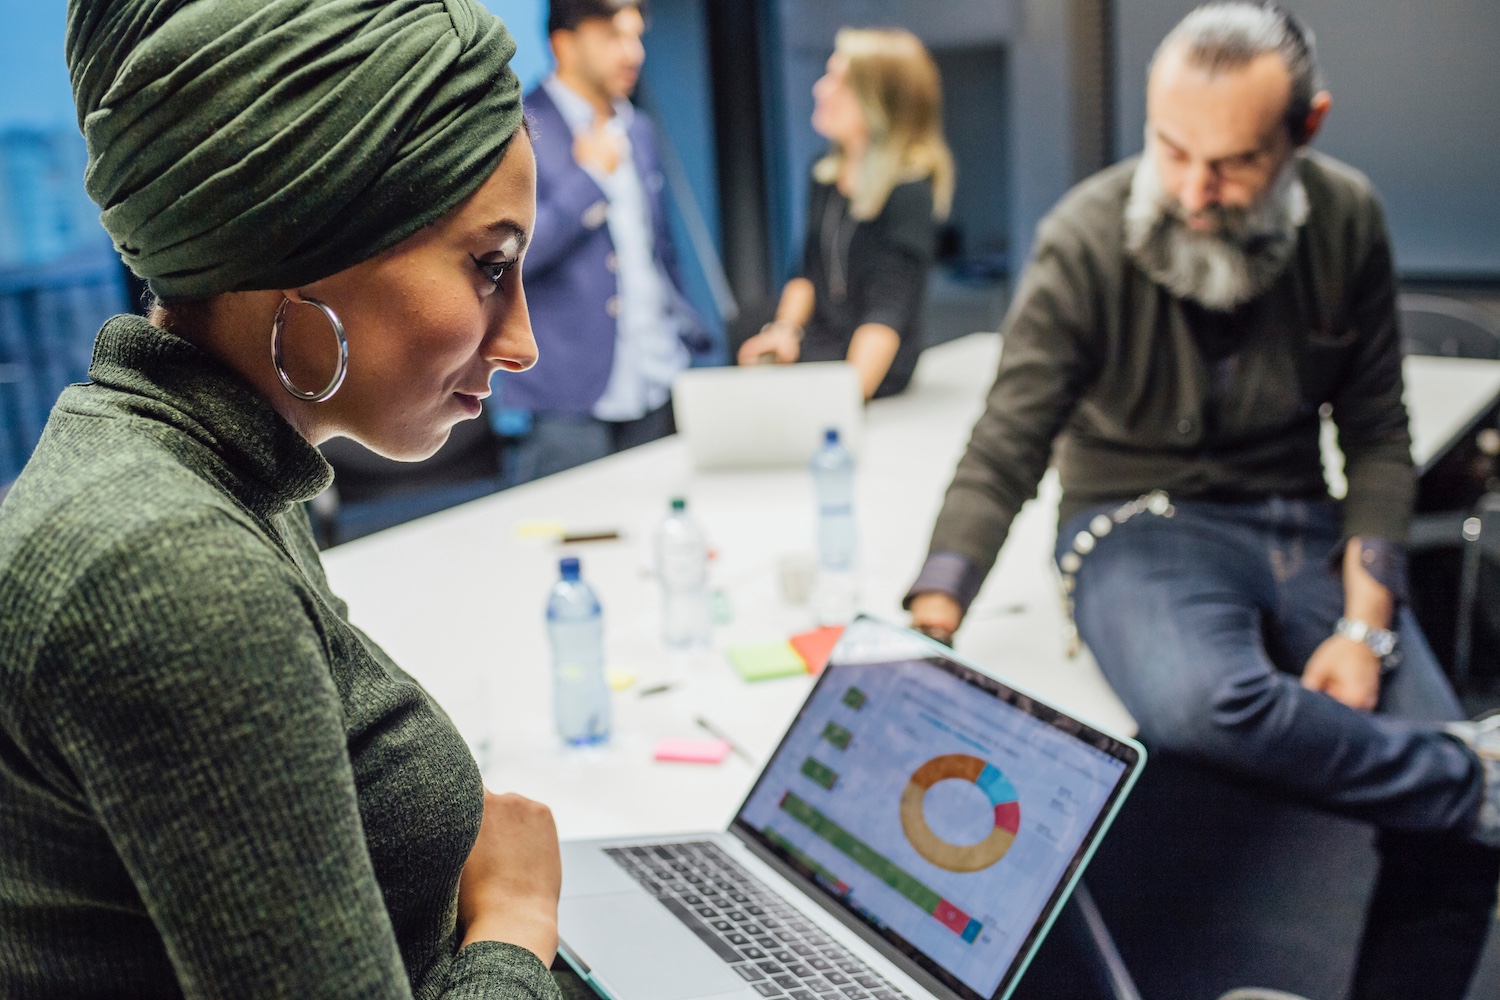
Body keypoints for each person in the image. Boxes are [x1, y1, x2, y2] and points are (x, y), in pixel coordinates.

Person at [904, 4, 1500, 998]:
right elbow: (1007, 439)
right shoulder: (1085, 236)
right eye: (1169, 149)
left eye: (1229, 164)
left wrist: (1363, 624)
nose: (1190, 189)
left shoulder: (1346, 218)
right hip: (1134, 527)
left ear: (1304, 131)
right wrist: (931, 612)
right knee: (1210, 703)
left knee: (1450, 843)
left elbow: (1378, 436)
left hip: (1298, 525)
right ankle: (1475, 774)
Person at [0, 2, 577, 997]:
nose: (519, 338)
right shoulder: (168, 566)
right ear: (305, 246)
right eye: (489, 267)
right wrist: (516, 927)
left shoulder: (204, 468)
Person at [500, 0, 708, 486]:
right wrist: (590, 178)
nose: (633, 53)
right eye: (614, 36)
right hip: (568, 400)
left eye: (637, 37)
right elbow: (507, 261)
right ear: (564, 44)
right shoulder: (517, 130)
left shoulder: (637, 127)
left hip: (656, 378)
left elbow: (658, 250)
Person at [735, 28, 953, 400]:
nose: (820, 89)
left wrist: (843, 403)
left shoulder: (908, 192)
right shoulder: (825, 172)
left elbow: (886, 314)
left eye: (838, 81)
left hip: (873, 365)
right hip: (821, 347)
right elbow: (807, 273)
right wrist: (783, 332)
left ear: (879, 101)